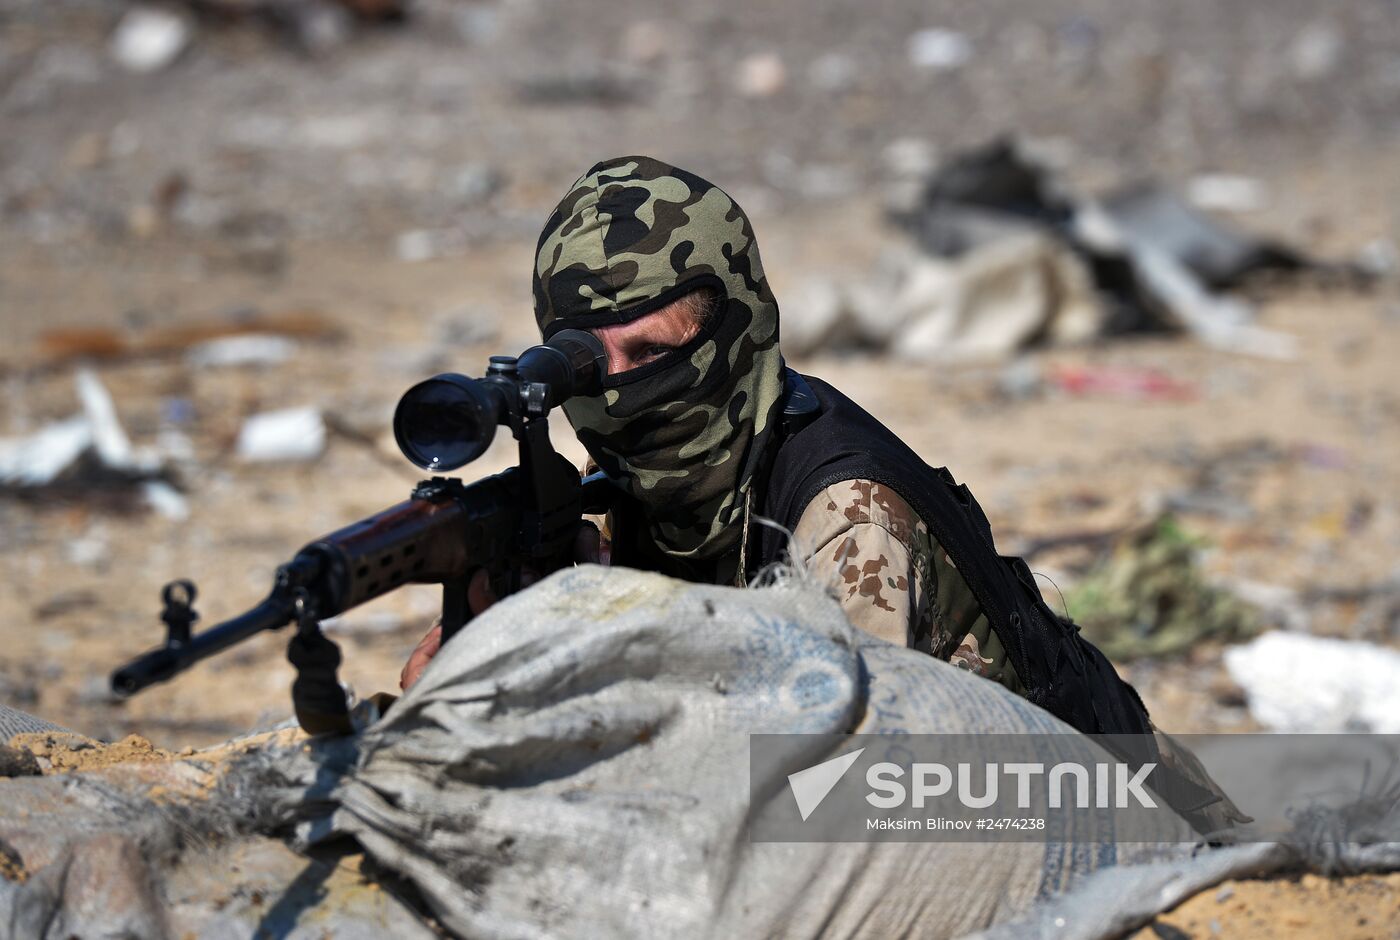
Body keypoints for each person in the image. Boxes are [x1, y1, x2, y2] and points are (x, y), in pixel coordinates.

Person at [398, 156, 1243, 830]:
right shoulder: (672, 491)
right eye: (586, 363)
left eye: (651, 352)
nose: (617, 392)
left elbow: (830, 803)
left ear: (739, 330)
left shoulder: (848, 517)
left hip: (1119, 832)